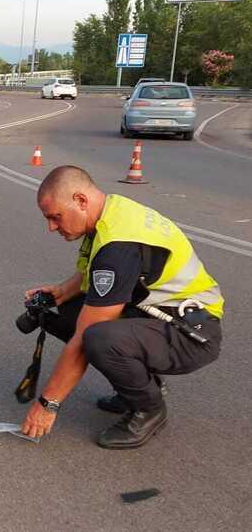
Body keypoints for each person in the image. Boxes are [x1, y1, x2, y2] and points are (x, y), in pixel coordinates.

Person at [21, 165, 224, 449]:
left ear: (80, 200)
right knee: (67, 312)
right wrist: (60, 293)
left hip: (192, 332)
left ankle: (149, 409)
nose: (51, 227)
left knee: (97, 337)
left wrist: (47, 404)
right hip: (163, 314)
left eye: (55, 217)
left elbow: (85, 336)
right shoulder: (110, 211)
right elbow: (91, 274)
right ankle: (137, 386)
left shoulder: (119, 247)